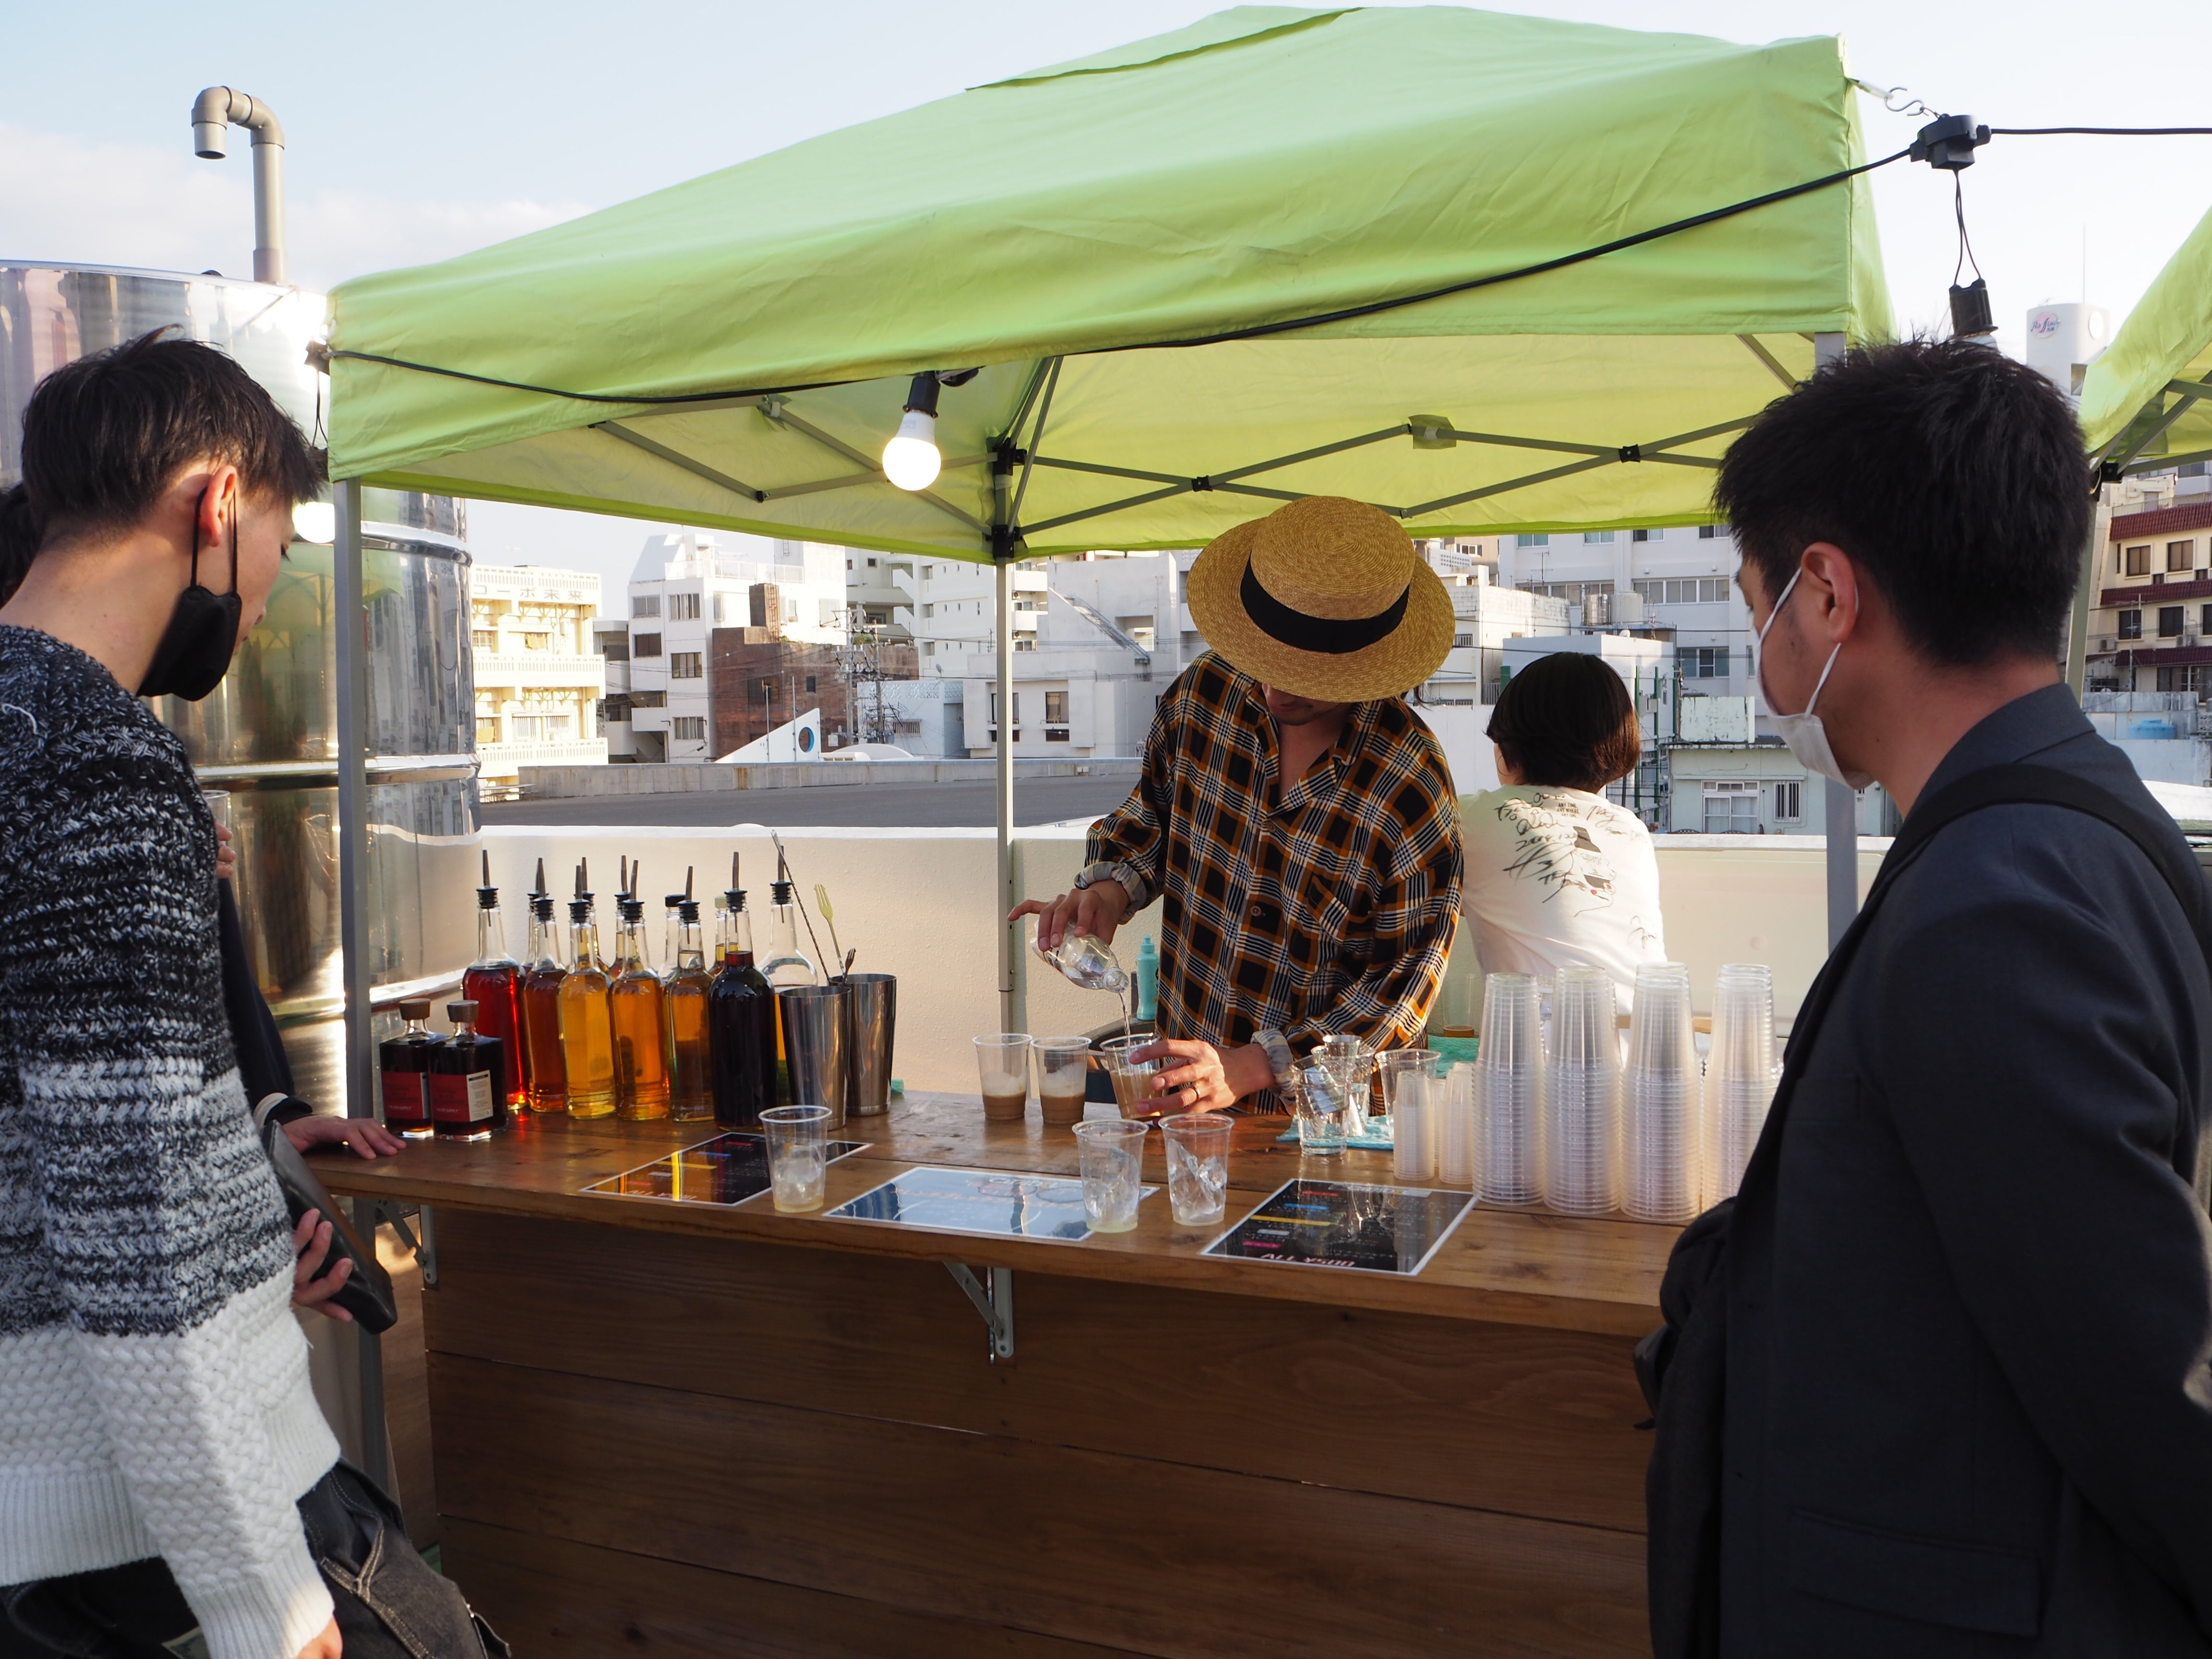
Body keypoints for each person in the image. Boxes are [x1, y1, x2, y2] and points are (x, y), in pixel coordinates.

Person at [1644, 339, 2212, 1657]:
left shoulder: (1994, 905)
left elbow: (2147, 1385)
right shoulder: (2078, 819)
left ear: (1827, 593)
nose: (1765, 659)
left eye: (1759, 610)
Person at [0, 334, 492, 1659]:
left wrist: (251, 1172)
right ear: (216, 504)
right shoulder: (96, 764)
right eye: (277, 541)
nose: (268, 596)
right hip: (141, 1529)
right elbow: (134, 1225)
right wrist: (257, 1594)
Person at [1014, 495, 1462, 1111]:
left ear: (1365, 664)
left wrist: (1257, 1064)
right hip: (1182, 1098)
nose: (1275, 689)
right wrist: (1111, 891)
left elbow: (1402, 991)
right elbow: (1152, 818)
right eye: (1264, 658)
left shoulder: (1410, 788)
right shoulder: (1206, 694)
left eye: (1305, 675)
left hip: (1318, 1123)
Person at [1459, 650, 1663, 1011]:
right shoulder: (1631, 830)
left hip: (1545, 1042)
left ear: (1506, 747)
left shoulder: (1475, 817)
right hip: (1652, 1034)